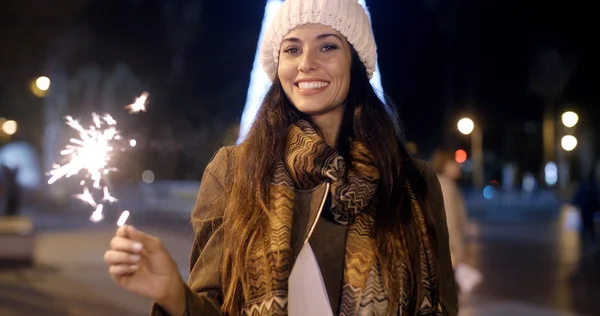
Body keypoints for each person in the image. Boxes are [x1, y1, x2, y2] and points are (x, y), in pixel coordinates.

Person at [104, 0, 459, 315]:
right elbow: (211, 306)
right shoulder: (233, 171)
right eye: (292, 49)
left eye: (327, 47)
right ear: (278, 64)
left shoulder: (412, 180)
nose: (306, 64)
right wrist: (173, 295)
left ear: (356, 60)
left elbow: (442, 303)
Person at [431, 149, 469, 267]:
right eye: (454, 163)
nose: (458, 166)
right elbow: (449, 218)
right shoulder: (445, 186)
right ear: (445, 164)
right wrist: (454, 249)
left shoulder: (438, 182)